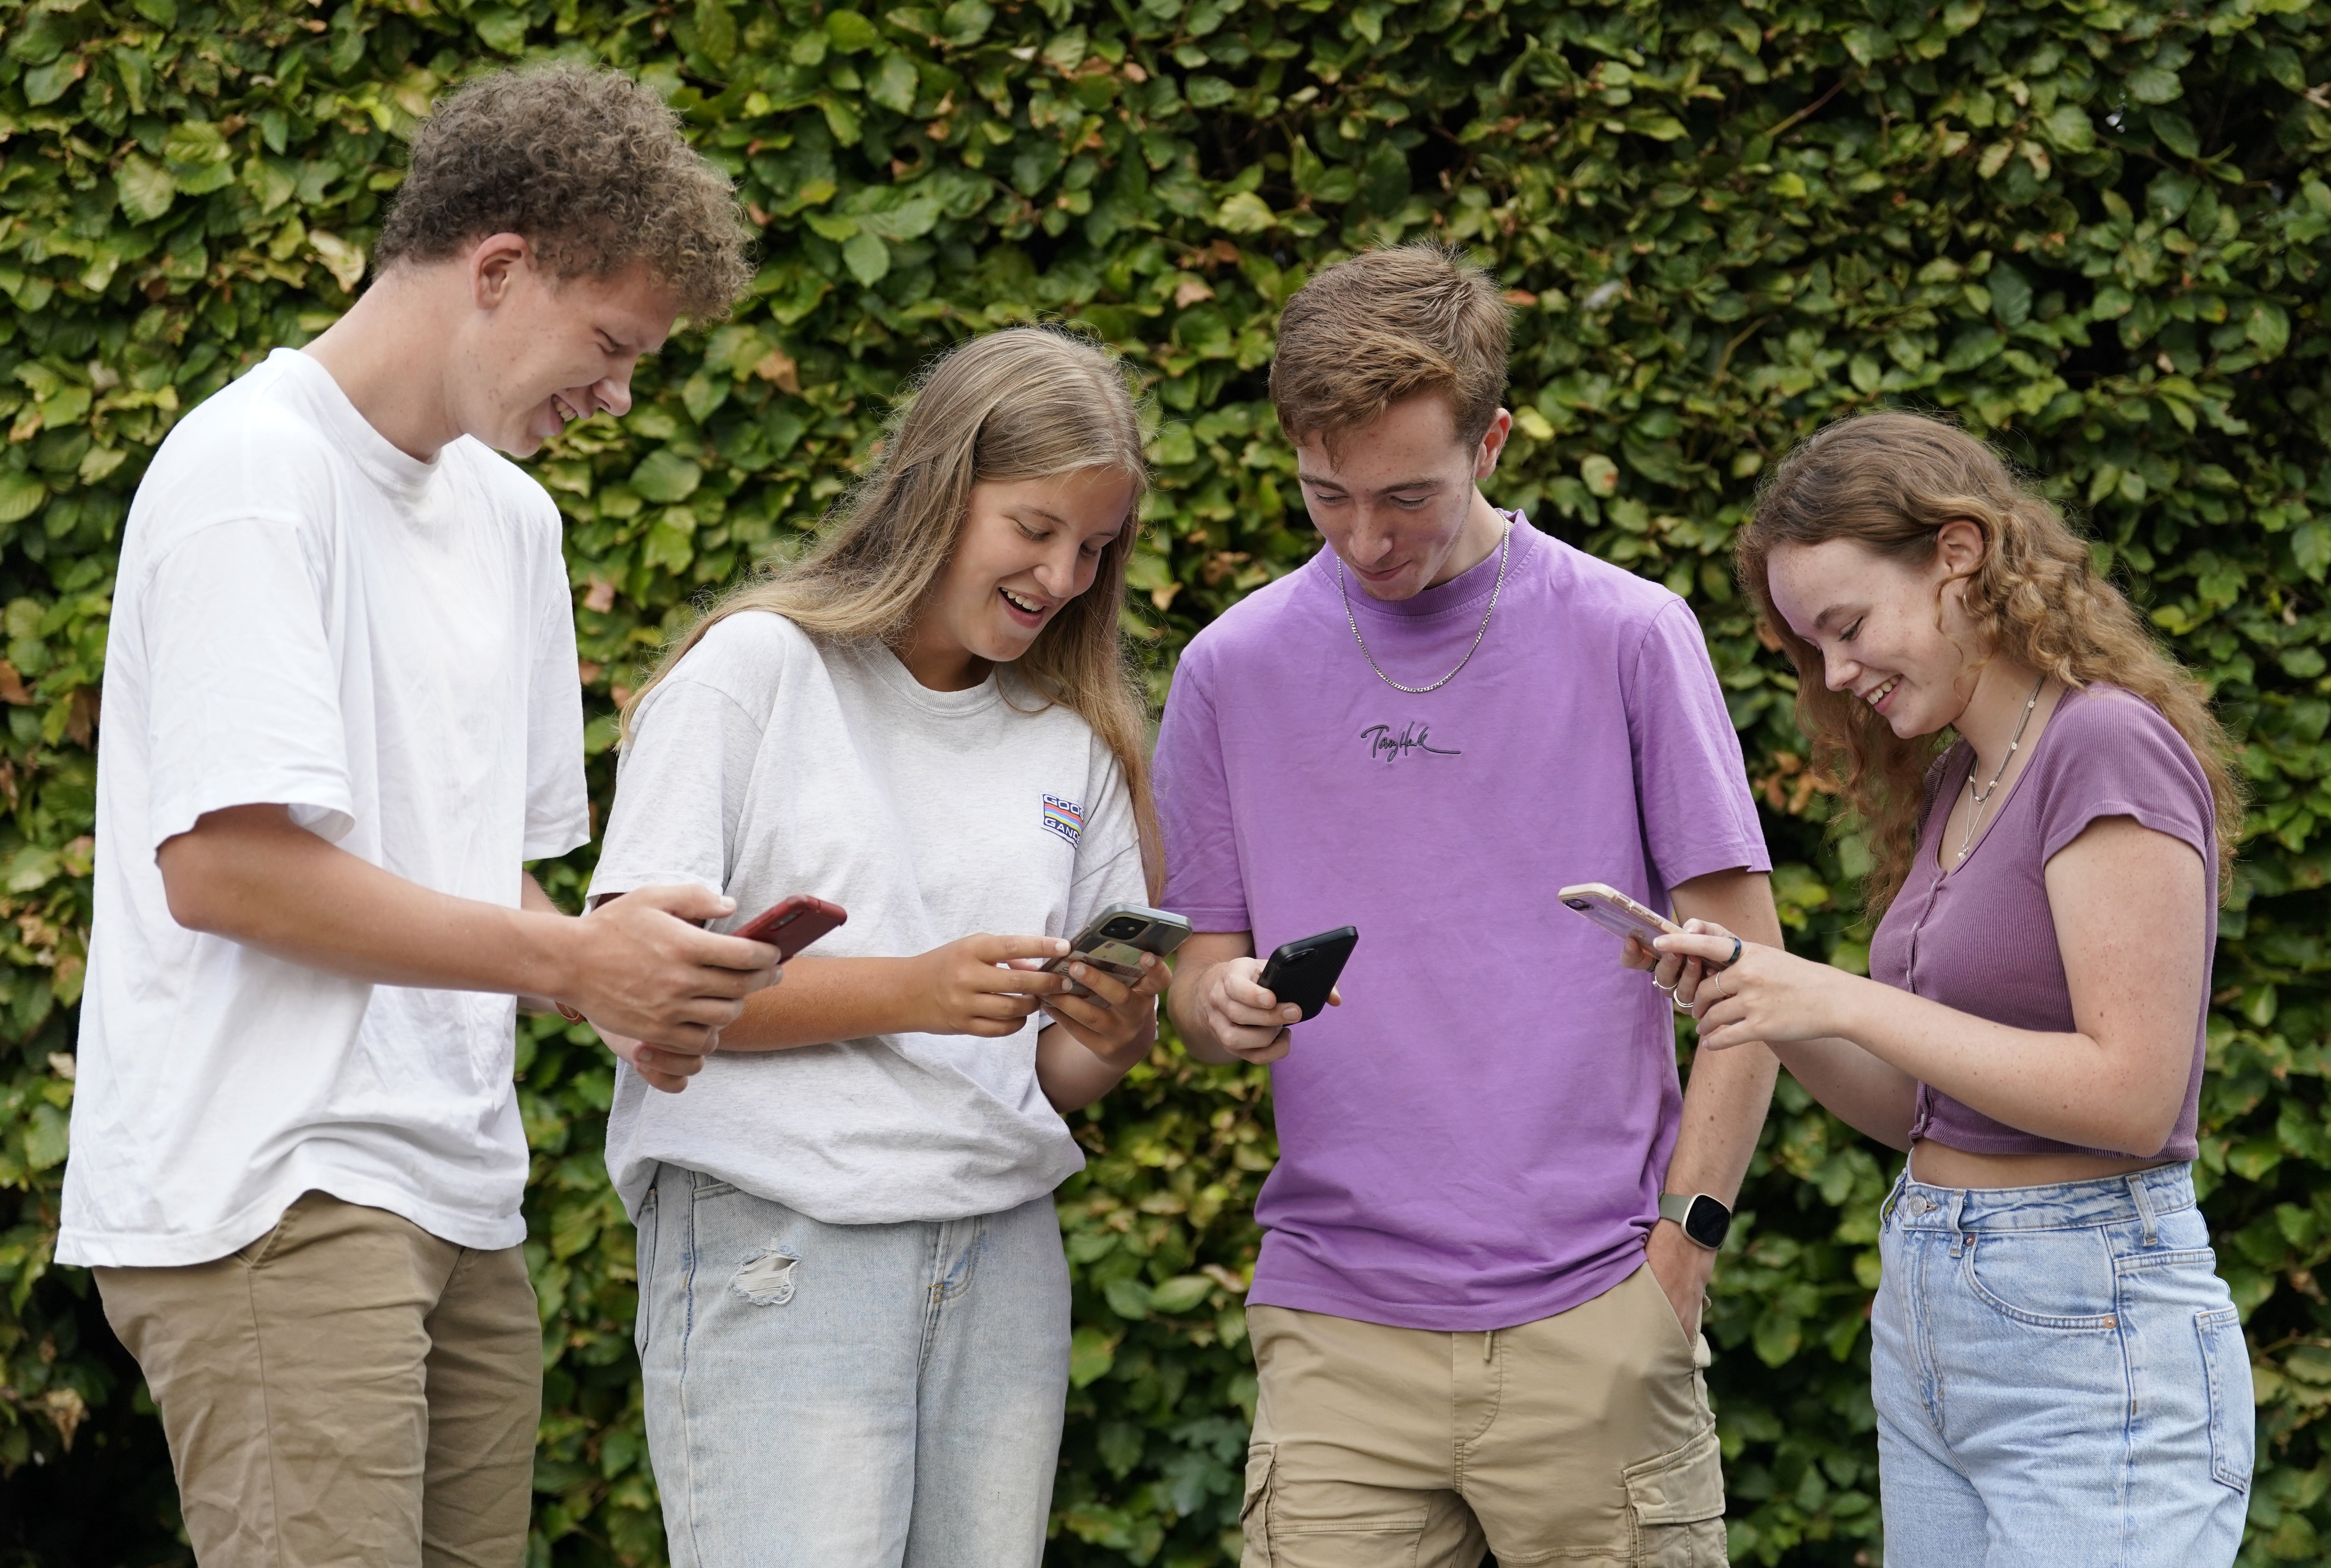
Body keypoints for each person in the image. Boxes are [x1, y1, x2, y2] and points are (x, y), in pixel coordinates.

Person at [58, 67, 780, 1568]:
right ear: (499, 268)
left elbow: (471, 879)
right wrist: (573, 968)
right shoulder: (254, 475)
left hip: (458, 1192)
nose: (618, 395)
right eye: (609, 345)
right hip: (275, 1191)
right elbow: (230, 872)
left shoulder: (513, 518)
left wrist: (615, 963)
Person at [1154, 241, 1784, 1567]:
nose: (1366, 541)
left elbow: (1753, 980)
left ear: (1491, 440)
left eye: (1407, 498)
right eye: (1326, 496)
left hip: (1597, 1311)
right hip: (1336, 1330)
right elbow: (1198, 979)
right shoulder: (1230, 667)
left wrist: (1681, 1261)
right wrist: (1217, 1006)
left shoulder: (1629, 633)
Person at [589, 327, 1168, 1568]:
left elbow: (1049, 1077)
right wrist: (913, 989)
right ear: (939, 486)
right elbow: (640, 1002)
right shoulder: (757, 674)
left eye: (1096, 547)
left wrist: (1108, 1042)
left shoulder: (1072, 739)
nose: (1064, 575)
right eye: (1035, 528)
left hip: (1003, 1254)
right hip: (785, 1240)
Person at [1653, 410, 2252, 1565]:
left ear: (1957, 555)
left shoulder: (2104, 746)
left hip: (2087, 1319)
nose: (1835, 674)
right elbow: (1923, 1108)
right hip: (1939, 1303)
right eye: (1810, 649)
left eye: (1847, 627)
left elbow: (2132, 1095)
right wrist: (1758, 1004)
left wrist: (1834, 996)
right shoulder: (1960, 782)